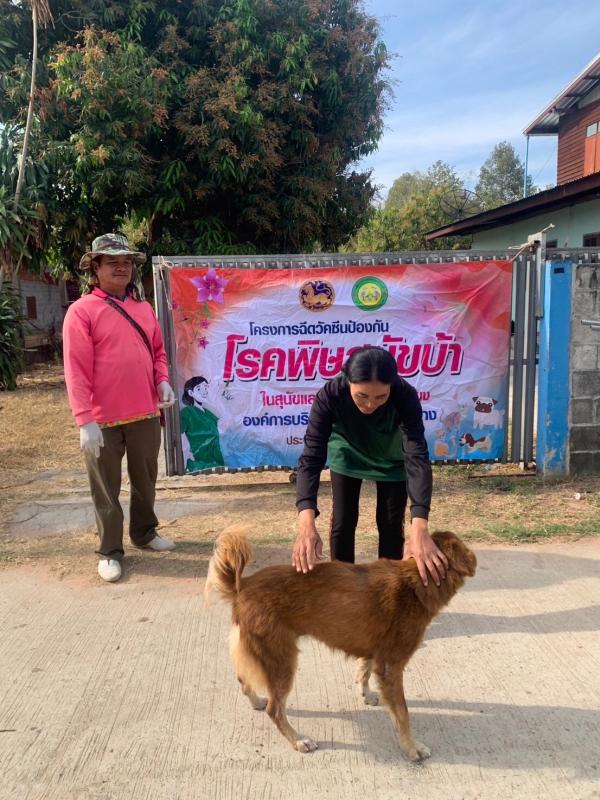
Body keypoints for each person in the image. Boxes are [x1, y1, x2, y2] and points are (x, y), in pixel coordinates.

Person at [62, 233, 177, 583]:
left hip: (145, 412)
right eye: (112, 262)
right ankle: (110, 551)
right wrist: (84, 420)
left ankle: (144, 533)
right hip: (102, 419)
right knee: (105, 488)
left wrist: (162, 380)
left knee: (146, 481)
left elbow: (158, 352)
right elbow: (76, 369)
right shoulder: (81, 311)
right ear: (95, 268)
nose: (122, 267)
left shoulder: (144, 309)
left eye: (126, 262)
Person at [292, 346, 448, 587]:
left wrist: (419, 526)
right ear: (348, 380)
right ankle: (342, 588)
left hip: (391, 459)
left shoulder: (405, 395)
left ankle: (388, 588)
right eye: (362, 396)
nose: (370, 405)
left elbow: (417, 457)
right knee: (343, 521)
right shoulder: (330, 395)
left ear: (391, 386)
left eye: (380, 397)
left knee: (390, 524)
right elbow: (311, 458)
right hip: (347, 453)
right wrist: (306, 524)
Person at [180, 376, 225, 471]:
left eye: (206, 387)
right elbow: (179, 435)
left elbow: (223, 425)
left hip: (217, 456)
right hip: (201, 459)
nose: (204, 391)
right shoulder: (187, 412)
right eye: (199, 389)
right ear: (191, 393)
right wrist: (187, 455)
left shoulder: (208, 413)